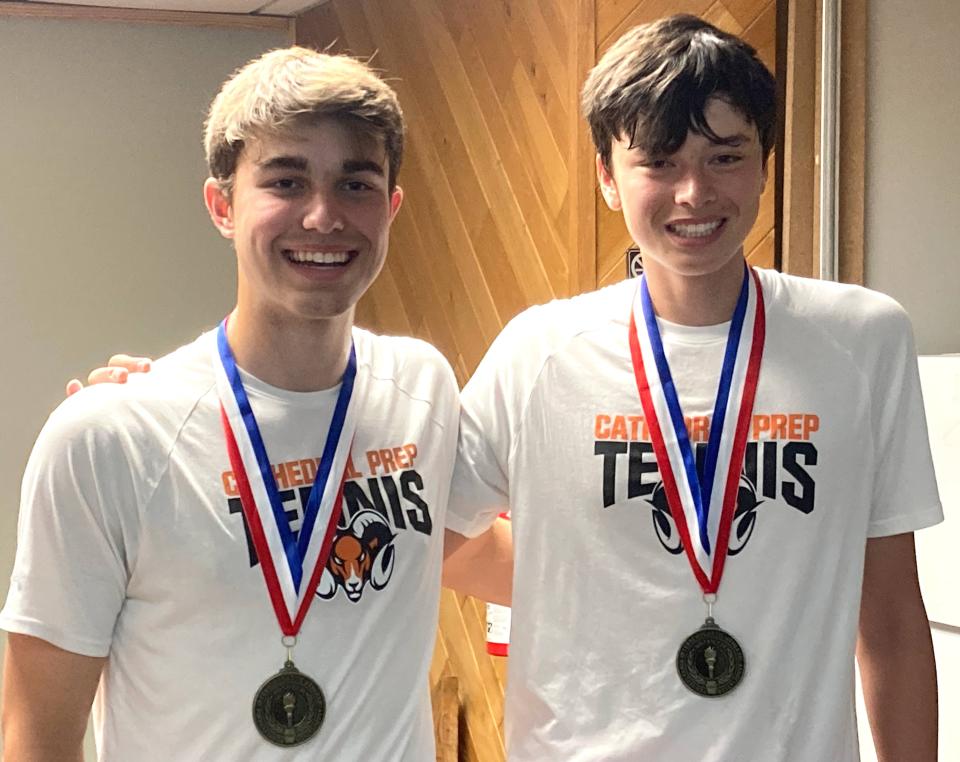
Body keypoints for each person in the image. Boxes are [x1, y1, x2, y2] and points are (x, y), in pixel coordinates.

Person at [49, 15, 941, 762]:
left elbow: (894, 615)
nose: (692, 192)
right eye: (658, 162)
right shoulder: (542, 351)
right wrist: (156, 401)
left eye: (727, 156)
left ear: (766, 163)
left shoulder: (862, 340)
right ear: (605, 176)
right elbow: (417, 521)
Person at [0, 47, 509, 761]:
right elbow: (36, 736)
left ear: (392, 208)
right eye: (286, 181)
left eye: (355, 184)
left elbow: (467, 548)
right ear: (222, 206)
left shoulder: (420, 388)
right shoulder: (108, 439)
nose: (324, 216)